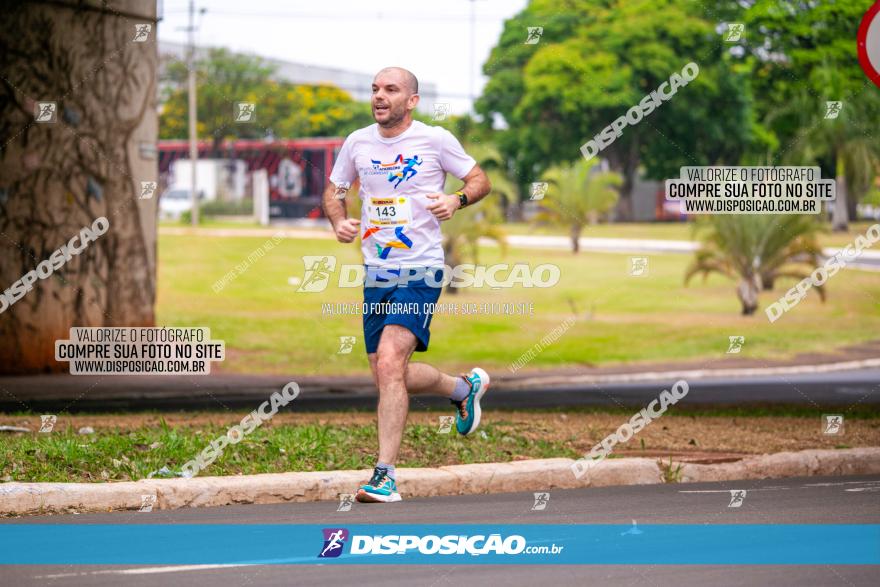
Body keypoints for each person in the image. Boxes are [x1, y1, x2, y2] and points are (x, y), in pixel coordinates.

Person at [323, 66, 492, 503]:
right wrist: (340, 221)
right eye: (375, 89)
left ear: (411, 100)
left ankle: (385, 476)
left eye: (391, 89)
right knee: (386, 372)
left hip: (422, 269)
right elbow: (334, 190)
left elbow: (480, 179)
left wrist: (456, 199)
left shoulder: (435, 140)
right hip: (376, 273)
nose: (380, 96)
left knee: (392, 358)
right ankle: (463, 388)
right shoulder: (357, 142)